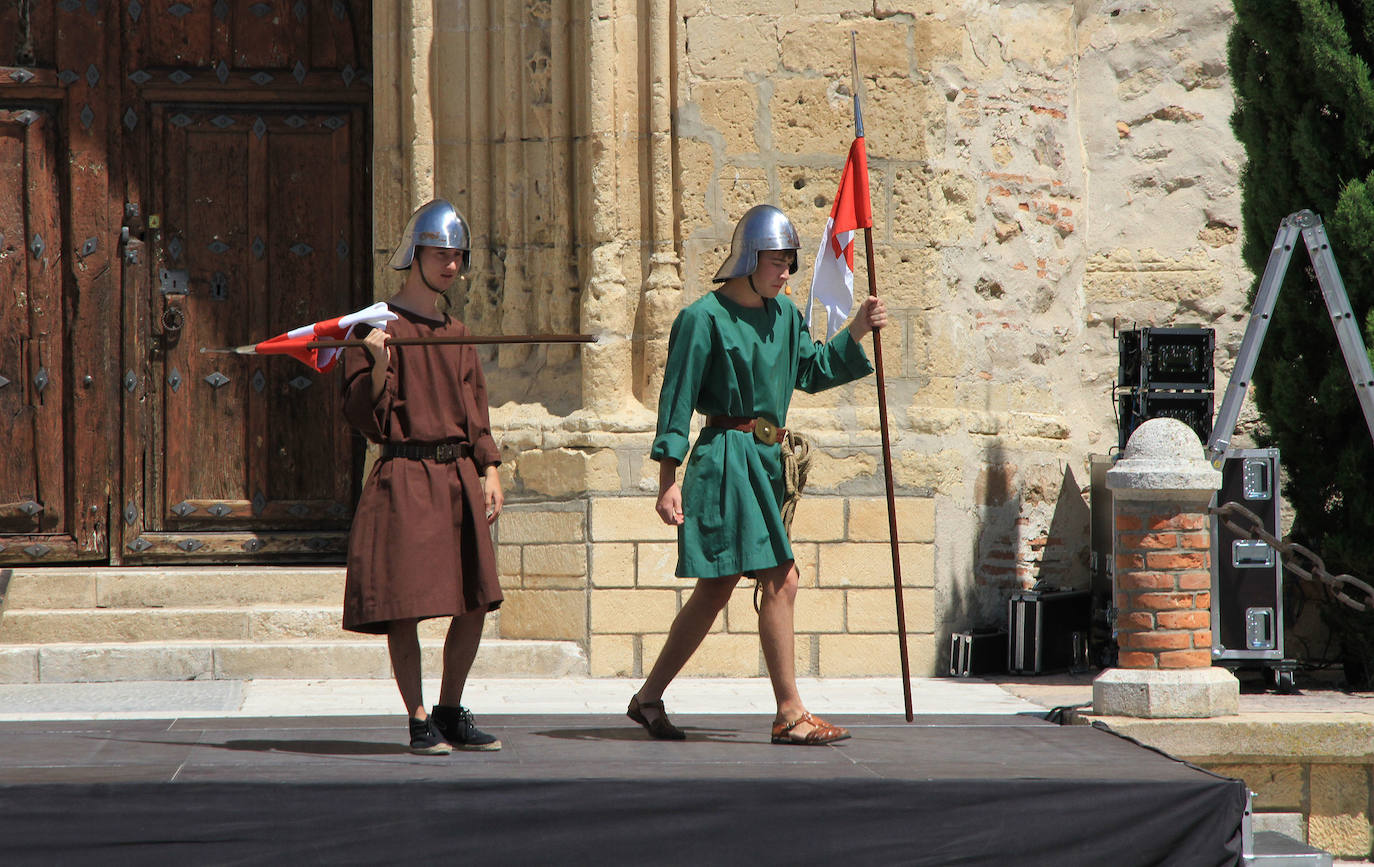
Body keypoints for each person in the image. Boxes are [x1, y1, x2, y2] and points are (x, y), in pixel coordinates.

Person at [628, 204, 888, 746]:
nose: (786, 272)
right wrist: (667, 479)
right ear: (748, 259)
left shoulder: (786, 316)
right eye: (777, 261)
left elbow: (811, 372)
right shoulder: (702, 319)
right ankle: (790, 714)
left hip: (767, 463)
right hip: (724, 458)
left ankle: (648, 698)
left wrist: (856, 331)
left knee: (718, 586)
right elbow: (675, 401)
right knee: (781, 577)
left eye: (791, 262)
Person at [341, 199, 504, 755]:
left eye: (458, 256)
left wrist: (489, 467)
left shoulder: (456, 330)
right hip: (406, 473)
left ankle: (450, 708)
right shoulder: (373, 325)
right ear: (415, 254)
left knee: (476, 600)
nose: (451, 265)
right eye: (441, 254)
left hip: (457, 473)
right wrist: (380, 362)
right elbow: (365, 416)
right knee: (404, 604)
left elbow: (475, 408)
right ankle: (416, 720)